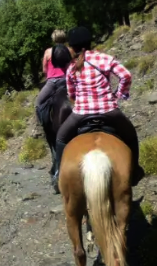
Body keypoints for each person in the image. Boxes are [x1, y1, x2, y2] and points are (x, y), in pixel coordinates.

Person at [52, 26, 145, 193]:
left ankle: (59, 174)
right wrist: (119, 94)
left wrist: (80, 100)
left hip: (81, 114)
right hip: (109, 111)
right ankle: (135, 170)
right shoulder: (105, 58)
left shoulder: (72, 67)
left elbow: (71, 93)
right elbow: (126, 76)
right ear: (90, 42)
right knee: (131, 134)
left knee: (61, 137)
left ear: (72, 48)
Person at [35, 29, 72, 113]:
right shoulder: (69, 50)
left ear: (54, 39)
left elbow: (44, 70)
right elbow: (71, 67)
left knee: (38, 102)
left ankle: (42, 124)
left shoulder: (48, 52)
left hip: (52, 82)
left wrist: (48, 78)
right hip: (65, 81)